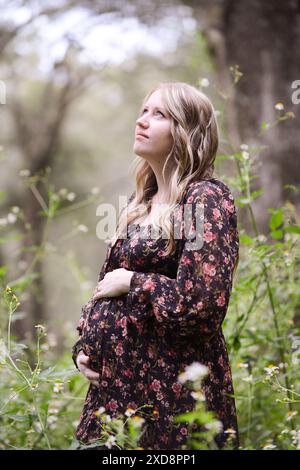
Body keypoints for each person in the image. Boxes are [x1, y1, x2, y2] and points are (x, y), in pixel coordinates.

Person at [71, 81, 240, 450]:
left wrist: (136, 282)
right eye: (144, 110)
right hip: (113, 402)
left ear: (185, 132)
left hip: (172, 401)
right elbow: (104, 288)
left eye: (159, 114)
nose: (142, 121)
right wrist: (84, 347)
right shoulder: (138, 204)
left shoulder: (205, 198)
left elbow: (203, 307)